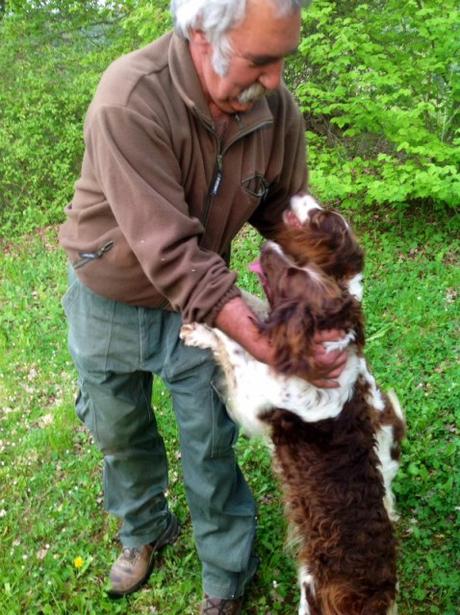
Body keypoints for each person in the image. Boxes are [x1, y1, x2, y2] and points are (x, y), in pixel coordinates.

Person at [59, 0, 347, 613]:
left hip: (198, 309)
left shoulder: (278, 110)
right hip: (108, 295)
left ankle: (226, 574)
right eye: (260, 61)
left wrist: (325, 286)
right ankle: (143, 530)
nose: (274, 81)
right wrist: (268, 343)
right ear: (199, 34)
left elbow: (283, 216)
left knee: (209, 438)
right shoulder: (129, 99)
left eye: (282, 61)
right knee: (119, 430)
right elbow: (171, 254)